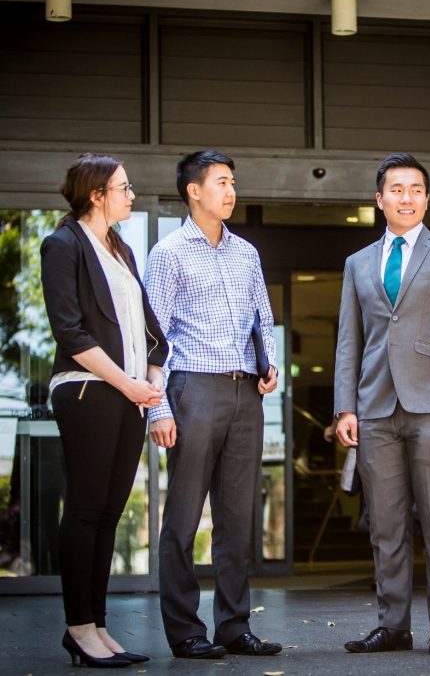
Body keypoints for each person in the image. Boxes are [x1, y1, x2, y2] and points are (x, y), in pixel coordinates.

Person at [334, 152, 430, 656]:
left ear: (426, 198)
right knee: (386, 524)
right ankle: (393, 624)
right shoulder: (357, 263)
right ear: (379, 199)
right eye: (396, 189)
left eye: (416, 189)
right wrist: (345, 407)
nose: (407, 197)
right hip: (375, 406)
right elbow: (348, 342)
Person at [144, 150, 281, 660]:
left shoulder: (246, 252)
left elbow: (262, 317)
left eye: (233, 182)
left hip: (246, 393)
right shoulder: (169, 254)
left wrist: (267, 363)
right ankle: (184, 631)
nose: (231, 191)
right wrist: (156, 408)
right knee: (182, 518)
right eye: (221, 182)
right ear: (193, 191)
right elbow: (153, 337)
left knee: (235, 518)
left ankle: (233, 626)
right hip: (192, 390)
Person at [41, 153, 168, 668]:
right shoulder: (63, 244)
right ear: (97, 194)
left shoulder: (119, 249)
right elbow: (70, 332)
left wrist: (152, 379)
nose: (131, 195)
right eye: (123, 187)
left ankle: (95, 625)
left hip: (129, 394)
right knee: (88, 510)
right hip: (90, 389)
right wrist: (129, 384)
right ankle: (78, 627)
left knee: (109, 514)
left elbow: (150, 331)